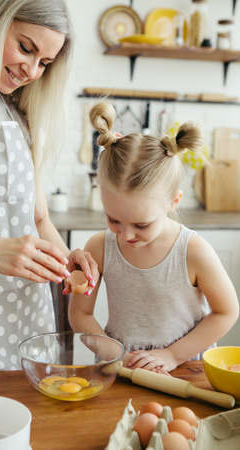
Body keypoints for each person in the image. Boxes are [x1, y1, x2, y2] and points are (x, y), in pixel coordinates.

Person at [0, 0, 98, 374]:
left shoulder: (20, 113)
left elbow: (38, 218)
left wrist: (65, 261)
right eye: (26, 48)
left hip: (25, 321)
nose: (31, 70)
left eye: (44, 63)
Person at [69, 101, 239, 374]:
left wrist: (173, 355)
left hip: (184, 369)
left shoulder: (193, 250)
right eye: (113, 219)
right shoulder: (99, 247)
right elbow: (80, 314)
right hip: (122, 367)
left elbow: (227, 311)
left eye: (141, 224)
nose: (126, 235)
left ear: (174, 201)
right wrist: (112, 351)